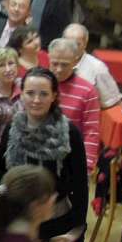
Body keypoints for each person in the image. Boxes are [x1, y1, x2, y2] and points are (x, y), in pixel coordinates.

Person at [5, 69, 86, 242]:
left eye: (43, 94)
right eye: (30, 93)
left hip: (57, 221)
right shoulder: (12, 128)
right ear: (21, 94)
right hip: (18, 220)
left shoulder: (69, 133)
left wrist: (78, 236)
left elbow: (80, 186)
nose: (36, 100)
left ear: (54, 96)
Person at [48, 37, 103, 173]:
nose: (59, 69)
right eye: (55, 64)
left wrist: (86, 166)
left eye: (64, 65)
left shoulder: (88, 91)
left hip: (70, 158)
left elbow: (91, 131)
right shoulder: (40, 84)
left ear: (75, 61)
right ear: (49, 58)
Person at [64, 22, 122, 108]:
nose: (73, 48)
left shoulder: (97, 68)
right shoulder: (54, 63)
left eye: (77, 44)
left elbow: (112, 103)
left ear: (85, 44)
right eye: (69, 44)